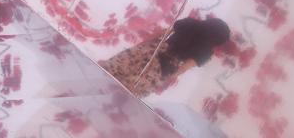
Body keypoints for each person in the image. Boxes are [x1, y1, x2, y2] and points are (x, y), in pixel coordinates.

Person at [99, 17, 231, 98]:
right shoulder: (206, 51)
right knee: (126, 91)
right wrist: (167, 78)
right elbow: (184, 68)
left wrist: (141, 45)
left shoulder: (190, 22)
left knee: (110, 70)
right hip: (164, 67)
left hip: (150, 50)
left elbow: (162, 33)